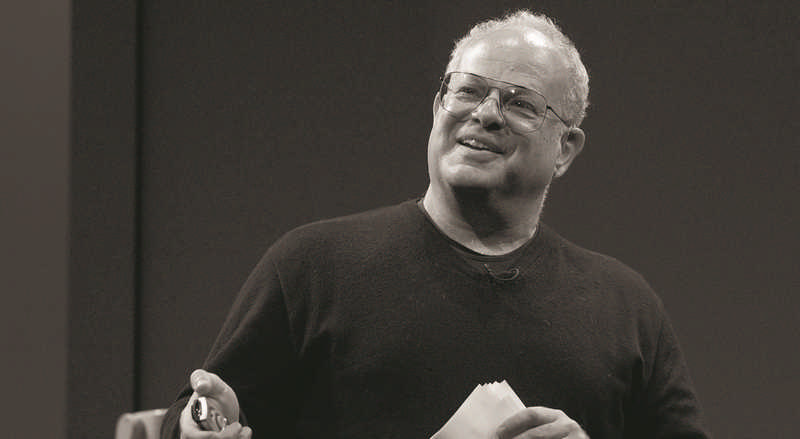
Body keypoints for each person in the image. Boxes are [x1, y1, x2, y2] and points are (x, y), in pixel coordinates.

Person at [161, 10, 710, 439]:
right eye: (467, 90)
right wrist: (198, 424)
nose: (485, 113)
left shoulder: (625, 307)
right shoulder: (313, 266)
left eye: (520, 104)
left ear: (565, 148)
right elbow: (200, 412)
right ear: (437, 108)